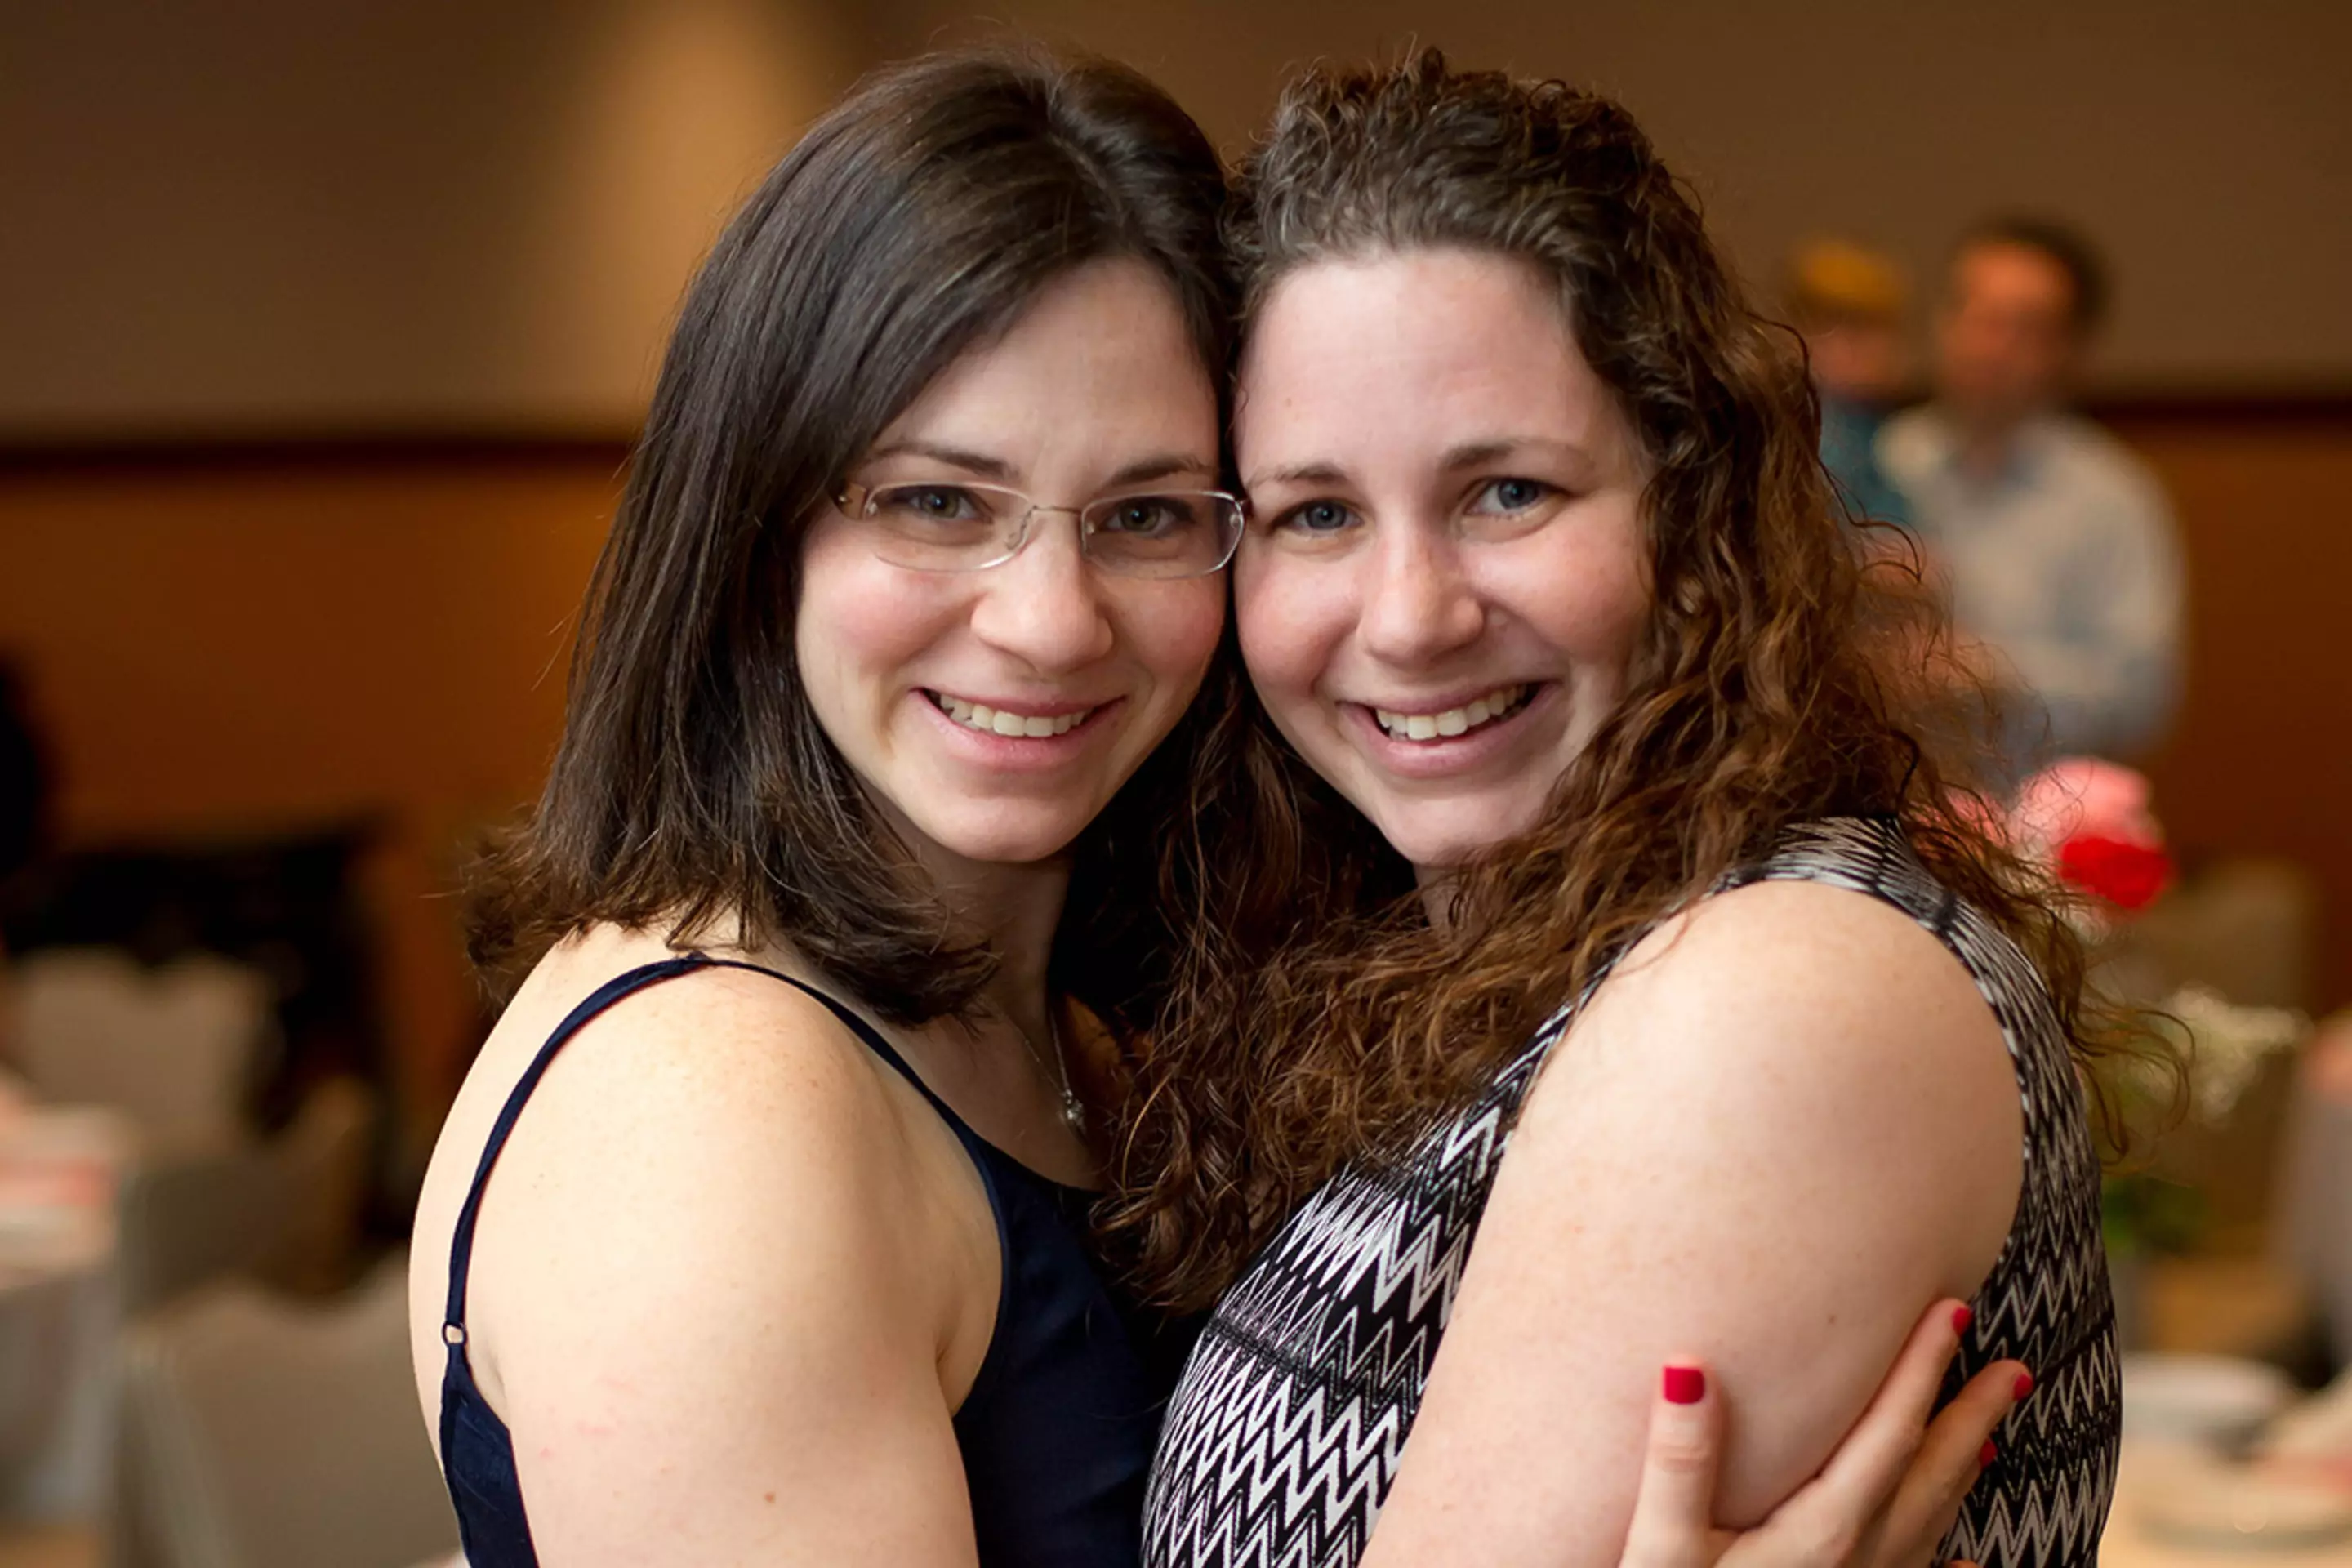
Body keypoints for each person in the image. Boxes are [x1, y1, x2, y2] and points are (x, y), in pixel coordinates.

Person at [408, 47, 2021, 1568]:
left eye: (1150, 514)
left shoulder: (1097, 1031)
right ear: (757, 526)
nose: (1050, 622)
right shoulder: (705, 1113)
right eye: (937, 501)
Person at [1121, 55, 2119, 1568]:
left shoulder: (1775, 997)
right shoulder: (1438, 954)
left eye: (1506, 492)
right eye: (1316, 513)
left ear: (1690, 502)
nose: (1410, 615)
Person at [1878, 216, 2185, 780]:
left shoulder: (2112, 496)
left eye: (2021, 325)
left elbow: (2142, 702)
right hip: (1880, 802)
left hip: (2043, 812)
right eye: (1971, 311)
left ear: (2068, 350)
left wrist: (1988, 671)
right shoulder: (1880, 465)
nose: (1988, 343)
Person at [1784, 238, 1915, 532]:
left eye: (1882, 326)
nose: (1874, 346)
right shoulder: (1810, 433)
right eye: (1851, 328)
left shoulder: (1876, 431)